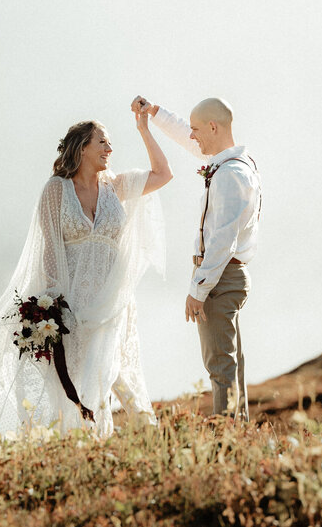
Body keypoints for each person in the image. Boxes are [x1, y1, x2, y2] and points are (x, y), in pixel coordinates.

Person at [0, 107, 172, 441]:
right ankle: (82, 442)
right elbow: (49, 249)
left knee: (113, 370)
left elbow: (163, 174)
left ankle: (146, 436)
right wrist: (53, 305)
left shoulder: (116, 186)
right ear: (82, 147)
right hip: (72, 303)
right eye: (102, 141)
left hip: (112, 300)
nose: (109, 148)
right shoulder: (56, 190)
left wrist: (144, 128)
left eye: (110, 142)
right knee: (78, 376)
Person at [133, 95, 261, 419]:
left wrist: (197, 290)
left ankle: (227, 443)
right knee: (230, 364)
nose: (192, 136)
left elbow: (222, 240)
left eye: (196, 129)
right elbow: (185, 138)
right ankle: (236, 436)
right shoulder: (229, 162)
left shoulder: (231, 174)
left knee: (220, 366)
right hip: (226, 276)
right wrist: (155, 114)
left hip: (220, 278)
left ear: (213, 127)